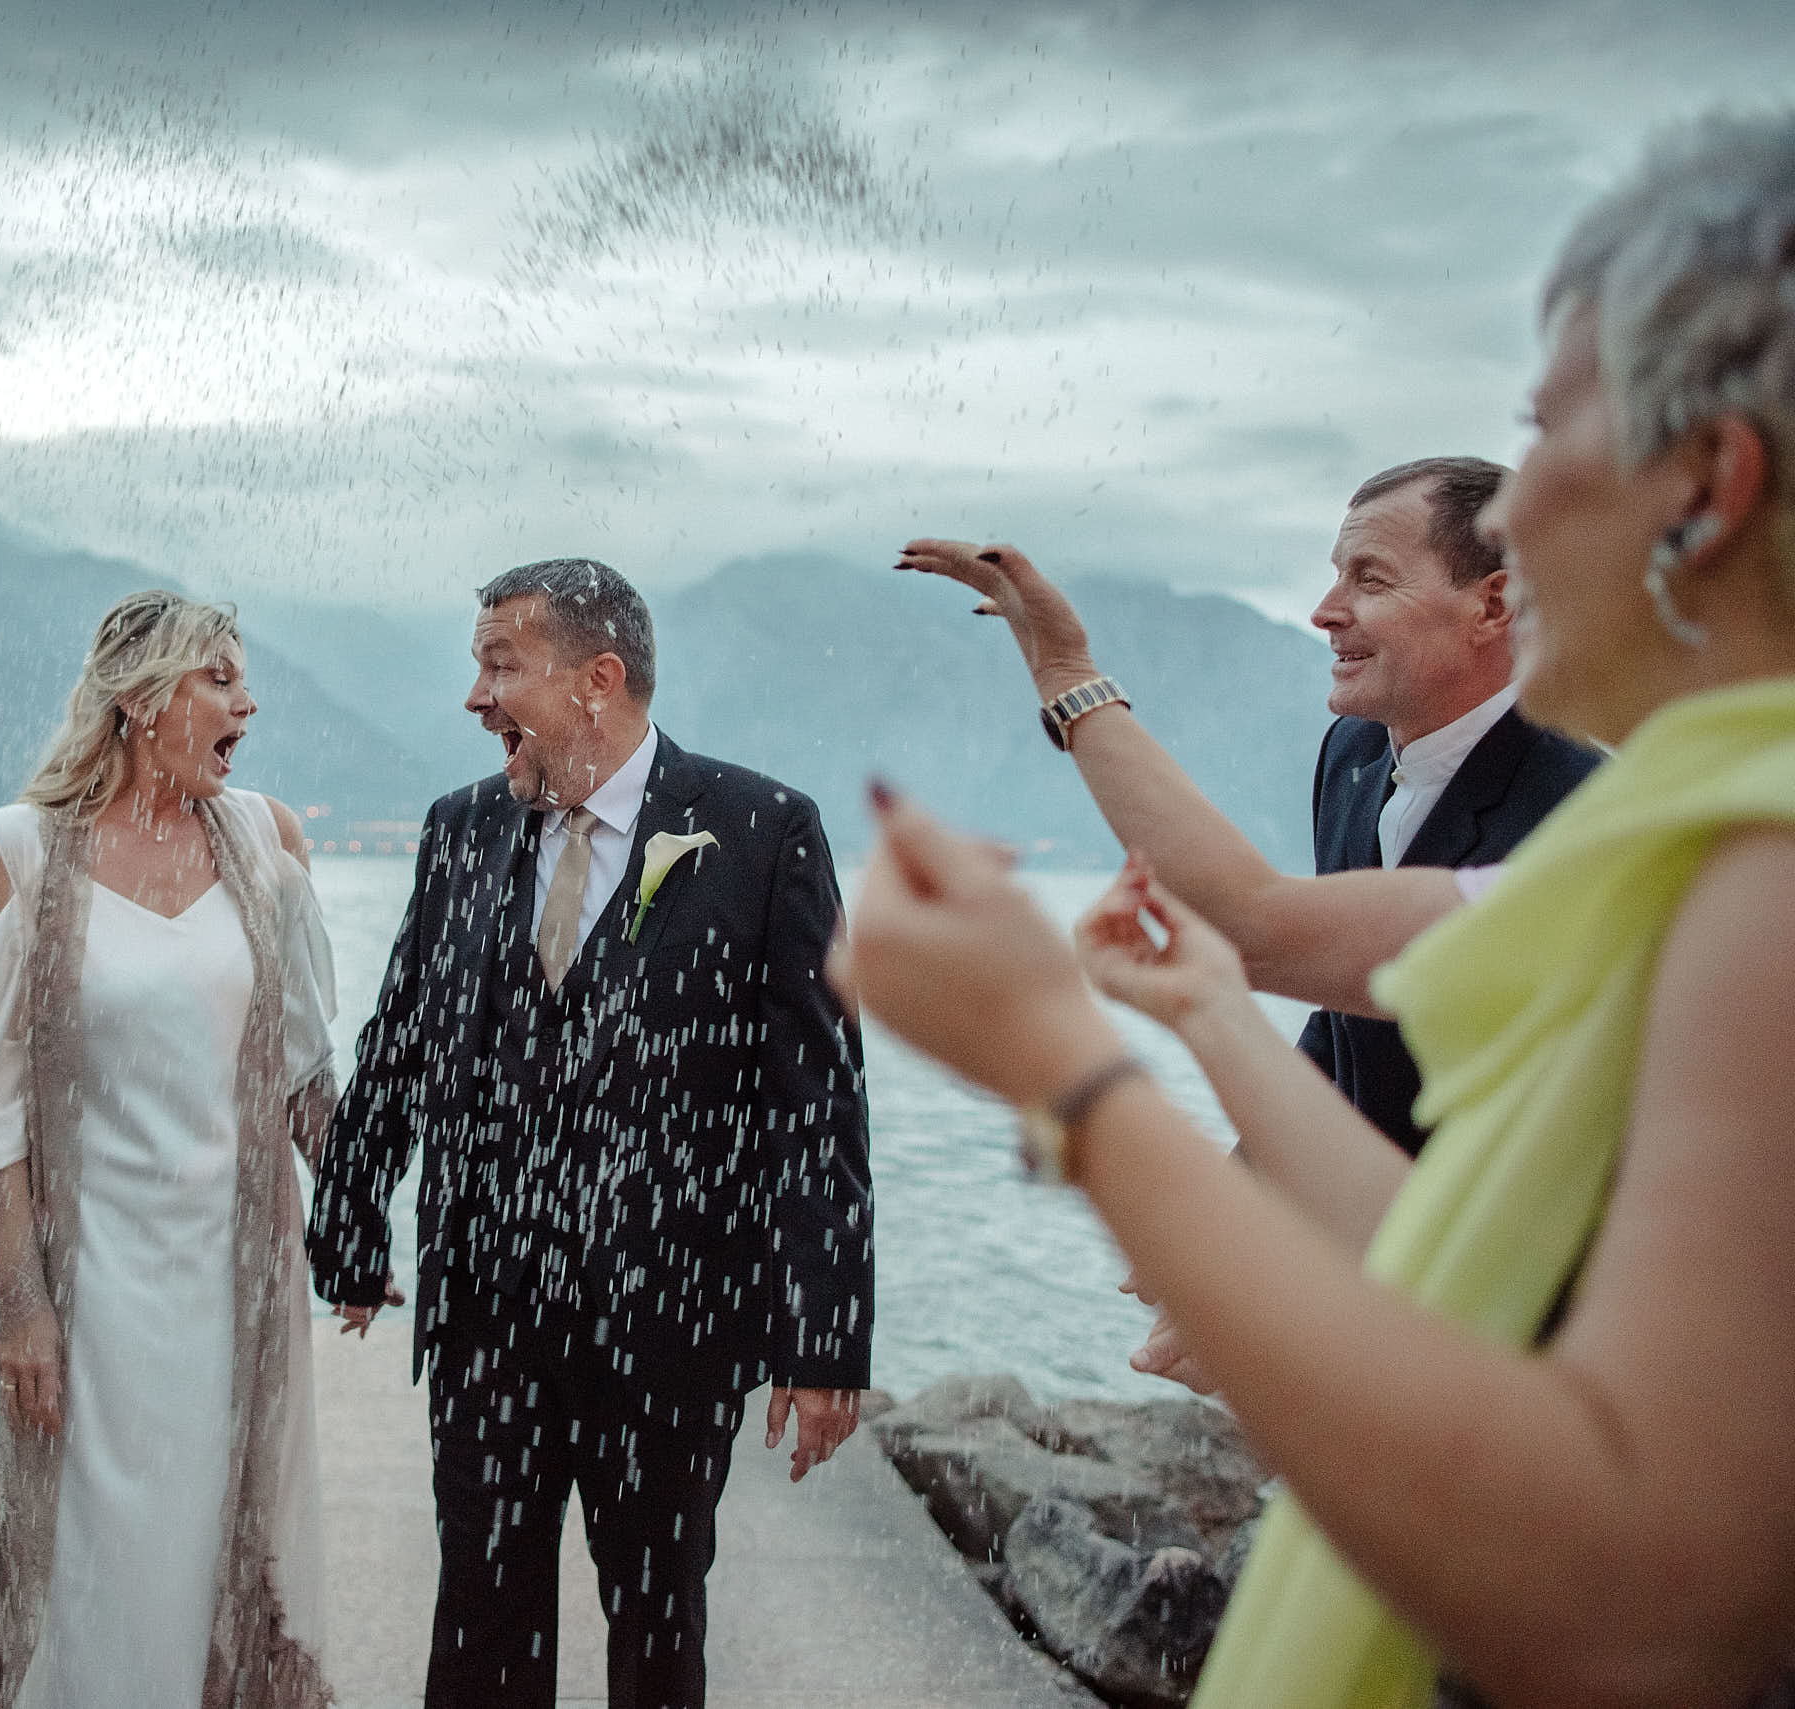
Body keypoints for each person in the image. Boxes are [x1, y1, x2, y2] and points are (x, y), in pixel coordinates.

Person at [840, 111, 1795, 1709]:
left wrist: (1069, 1079)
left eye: (1548, 427)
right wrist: (1209, 1033)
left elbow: (1632, 1598)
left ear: (1707, 484)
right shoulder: (1677, 851)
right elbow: (1437, 1247)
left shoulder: (1758, 881)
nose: (1520, 511)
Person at [308, 558, 874, 1709]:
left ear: (595, 680)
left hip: (670, 1326)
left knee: (657, 1621)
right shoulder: (460, 829)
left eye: (499, 665)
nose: (475, 696)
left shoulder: (760, 832)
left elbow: (814, 1103)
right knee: (481, 1622)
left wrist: (821, 1339)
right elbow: (402, 1037)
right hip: (487, 1316)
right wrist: (351, 1224)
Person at [897, 455, 1598, 1158]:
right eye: (1336, 573)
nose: (1325, 611)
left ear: (1493, 605)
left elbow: (1254, 930)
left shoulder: (1576, 812)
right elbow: (1340, 1023)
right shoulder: (1353, 752)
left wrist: (1066, 673)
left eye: (1371, 579)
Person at [0, 590, 339, 1709]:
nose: (248, 703)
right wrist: (21, 1302)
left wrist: (358, 1216)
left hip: (234, 1282)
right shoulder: (16, 852)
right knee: (87, 1569)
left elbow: (304, 1068)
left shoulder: (265, 839)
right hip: (91, 1286)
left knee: (217, 1555)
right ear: (141, 699)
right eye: (220, 678)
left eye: (244, 679)